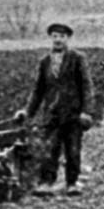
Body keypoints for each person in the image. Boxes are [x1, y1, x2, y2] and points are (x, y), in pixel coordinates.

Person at [14, 23, 95, 195]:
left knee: (73, 150)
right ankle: (46, 183)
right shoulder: (45, 62)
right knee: (49, 149)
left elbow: (86, 86)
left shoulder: (77, 58)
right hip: (52, 114)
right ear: (51, 38)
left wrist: (87, 111)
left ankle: (72, 183)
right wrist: (28, 112)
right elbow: (38, 90)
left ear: (68, 38)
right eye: (55, 36)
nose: (58, 40)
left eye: (62, 36)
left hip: (73, 113)